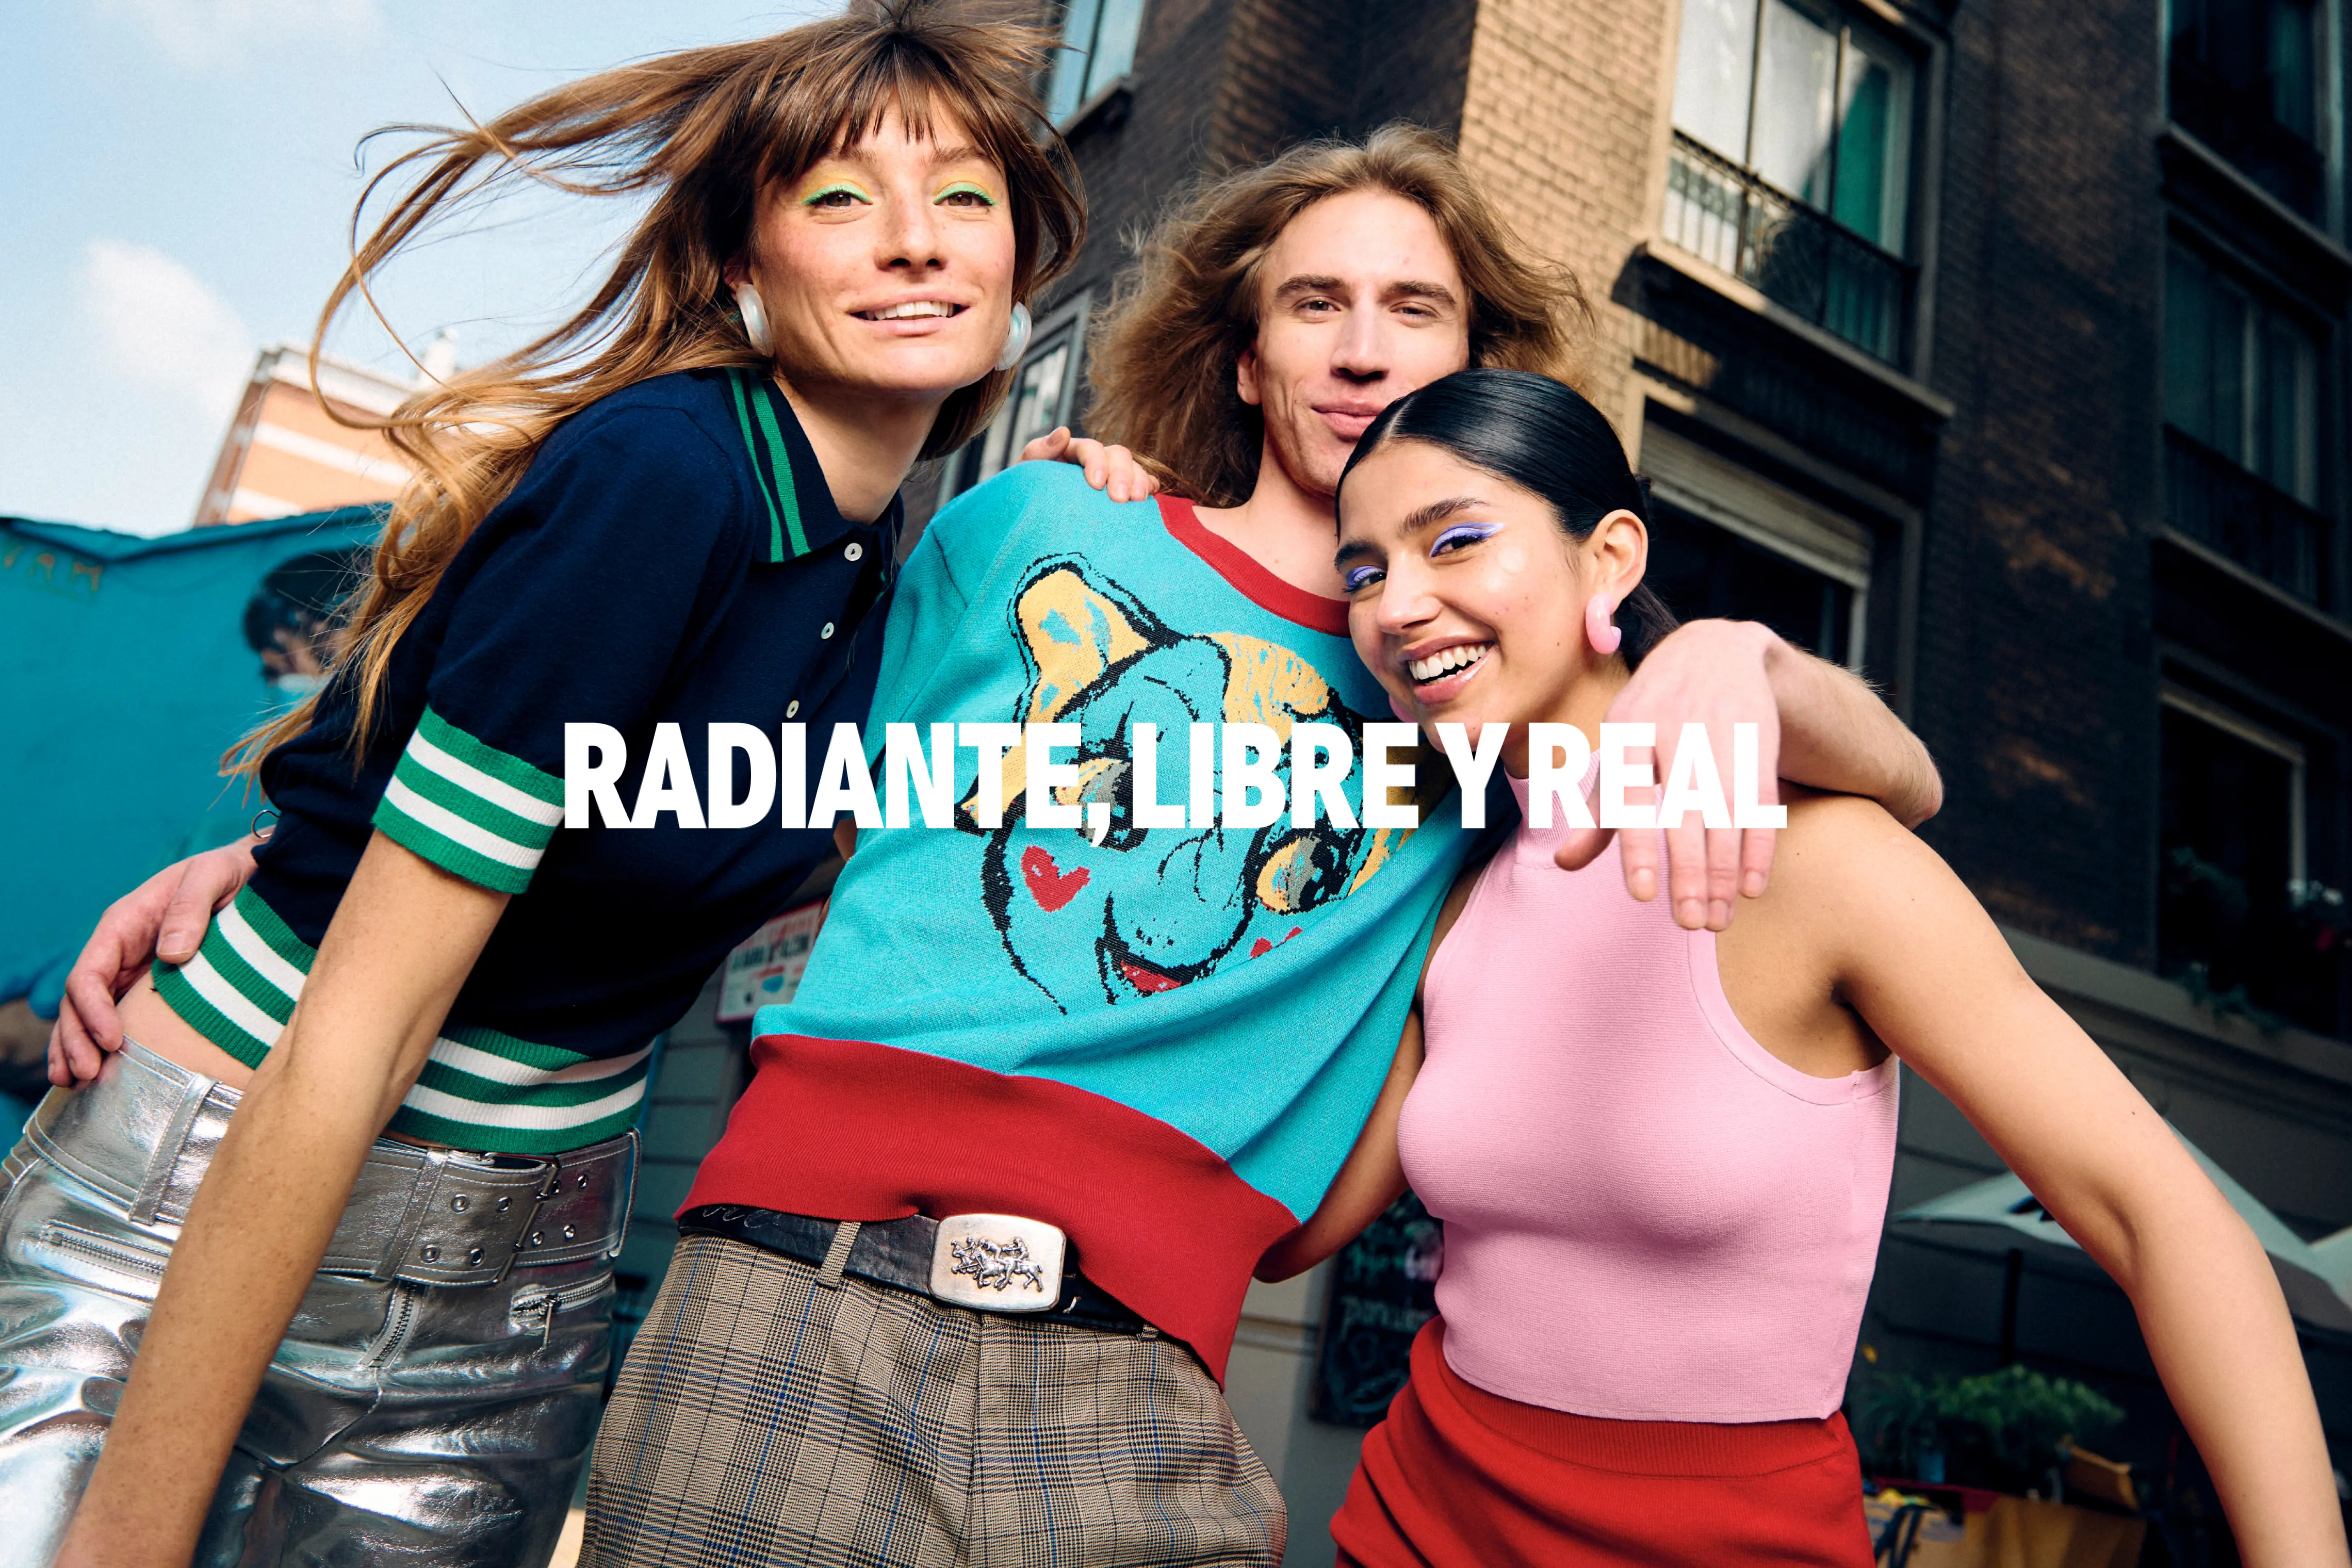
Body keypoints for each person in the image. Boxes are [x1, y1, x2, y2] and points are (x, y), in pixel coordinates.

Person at [574, 129, 1942, 1566]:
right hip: (792, 1298)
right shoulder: (1040, 519)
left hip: (1143, 1387)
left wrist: (1745, 654)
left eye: (1414, 311)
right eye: (1313, 305)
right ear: (1244, 358)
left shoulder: (1479, 717)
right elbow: (859, 827)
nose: (1361, 352)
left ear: (1483, 373)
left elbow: (1902, 782)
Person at [3, 6, 1093, 1564]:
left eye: (966, 199)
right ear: (743, 267)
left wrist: (1075, 494)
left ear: (1019, 265)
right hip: (209, 1208)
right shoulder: (667, 476)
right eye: (841, 198)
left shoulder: (870, 564)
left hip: (506, 1303)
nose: (915, 244)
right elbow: (354, 1043)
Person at [1318, 368, 2351, 1567]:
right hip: (1411, 1522)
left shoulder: (1822, 858)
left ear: (1609, 560)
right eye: (1365, 569)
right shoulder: (1460, 896)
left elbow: (2161, 1215)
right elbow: (1298, 1226)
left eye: (1455, 539)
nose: (1397, 604)